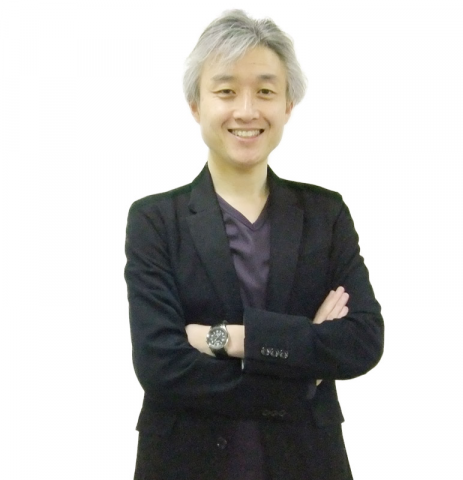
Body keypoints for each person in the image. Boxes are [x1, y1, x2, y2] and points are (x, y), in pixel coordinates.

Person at [124, 9, 384, 480]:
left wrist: (227, 339)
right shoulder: (155, 221)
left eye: (265, 91)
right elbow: (161, 365)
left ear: (288, 105)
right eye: (226, 91)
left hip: (307, 462)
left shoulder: (325, 215)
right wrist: (302, 368)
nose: (247, 111)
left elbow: (362, 340)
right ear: (196, 105)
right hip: (186, 463)